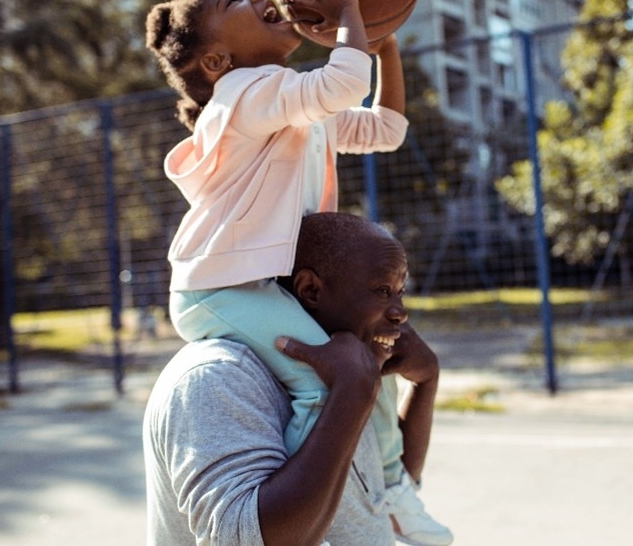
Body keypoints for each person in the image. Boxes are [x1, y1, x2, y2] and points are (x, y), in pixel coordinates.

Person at [144, 0, 452, 546]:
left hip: (260, 283)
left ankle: (390, 493)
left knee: (373, 362)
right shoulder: (242, 93)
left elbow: (385, 127)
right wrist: (346, 14)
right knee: (329, 383)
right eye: (232, 1)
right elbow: (342, 83)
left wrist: (383, 48)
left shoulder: (290, 109)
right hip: (219, 290)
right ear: (216, 61)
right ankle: (305, 514)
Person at [143, 212, 443, 545]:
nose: (400, 311)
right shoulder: (216, 377)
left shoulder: (350, 362)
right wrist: (350, 398)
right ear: (310, 290)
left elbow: (383, 491)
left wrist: (425, 382)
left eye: (400, 292)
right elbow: (247, 539)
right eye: (383, 291)